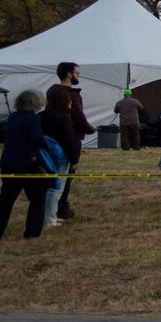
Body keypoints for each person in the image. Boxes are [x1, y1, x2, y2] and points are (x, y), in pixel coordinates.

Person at [0, 90, 53, 239]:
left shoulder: (13, 117)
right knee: (37, 198)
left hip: (8, 163)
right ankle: (32, 233)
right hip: (28, 164)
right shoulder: (32, 118)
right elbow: (36, 139)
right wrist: (47, 142)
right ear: (34, 102)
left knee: (6, 200)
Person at [45, 61, 92, 220]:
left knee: (53, 174)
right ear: (68, 74)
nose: (78, 76)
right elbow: (78, 116)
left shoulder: (52, 91)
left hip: (52, 138)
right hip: (69, 138)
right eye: (77, 73)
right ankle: (60, 207)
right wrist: (91, 129)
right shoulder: (70, 94)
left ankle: (53, 208)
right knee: (65, 176)